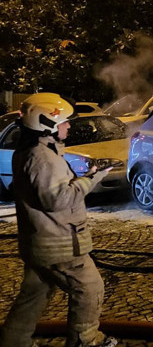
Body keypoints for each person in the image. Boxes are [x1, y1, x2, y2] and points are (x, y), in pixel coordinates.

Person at [0, 93, 117, 347]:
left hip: (38, 244)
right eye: (63, 122)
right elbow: (57, 200)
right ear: (46, 124)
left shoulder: (31, 152)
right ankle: (86, 341)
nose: (68, 126)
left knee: (33, 297)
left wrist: (86, 176)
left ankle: (13, 342)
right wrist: (91, 179)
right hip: (59, 246)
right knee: (89, 289)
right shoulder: (43, 159)